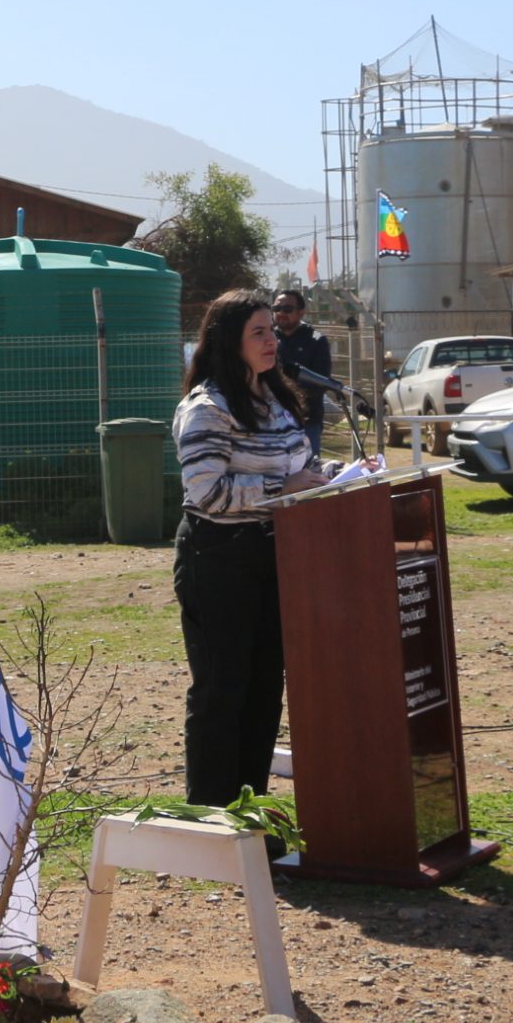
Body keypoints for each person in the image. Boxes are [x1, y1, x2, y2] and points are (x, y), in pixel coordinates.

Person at [171, 289, 326, 807]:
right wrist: (286, 491)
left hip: (272, 556)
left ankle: (249, 810)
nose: (272, 340)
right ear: (228, 342)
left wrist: (337, 477)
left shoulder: (275, 398)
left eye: (272, 330)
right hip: (218, 559)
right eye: (258, 332)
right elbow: (207, 492)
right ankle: (214, 818)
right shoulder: (207, 408)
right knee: (222, 689)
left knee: (263, 691)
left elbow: (293, 469)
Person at [270, 289, 336, 456]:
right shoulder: (267, 338)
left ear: (301, 313)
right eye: (277, 309)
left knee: (310, 473)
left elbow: (321, 382)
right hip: (271, 421)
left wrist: (291, 397)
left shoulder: (316, 340)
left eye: (287, 309)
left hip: (306, 421)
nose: (281, 313)